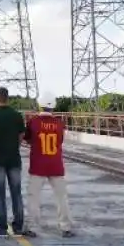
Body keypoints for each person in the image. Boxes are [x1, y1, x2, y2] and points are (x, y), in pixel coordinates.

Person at [24, 92, 75, 238]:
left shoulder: (33, 122)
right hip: (55, 164)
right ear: (53, 106)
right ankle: (65, 227)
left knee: (34, 196)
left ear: (39, 105)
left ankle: (32, 226)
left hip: (38, 165)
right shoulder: (59, 123)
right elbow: (60, 141)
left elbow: (27, 138)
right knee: (61, 197)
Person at [0, 86, 28, 237]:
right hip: (14, 159)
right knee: (16, 193)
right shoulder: (17, 115)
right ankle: (19, 226)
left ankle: (2, 228)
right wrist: (13, 146)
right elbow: (21, 135)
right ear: (7, 98)